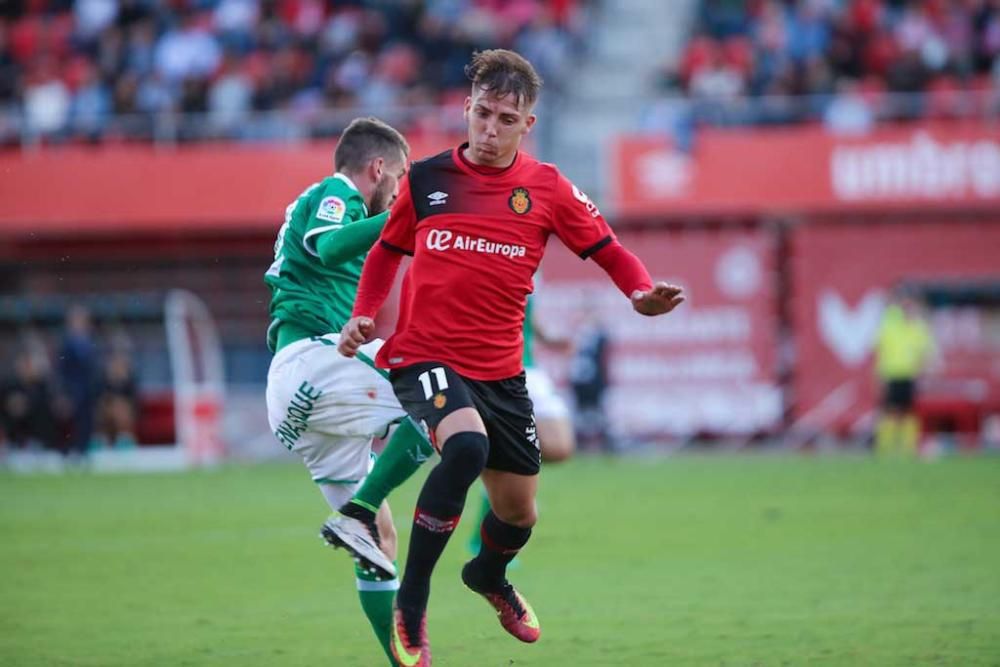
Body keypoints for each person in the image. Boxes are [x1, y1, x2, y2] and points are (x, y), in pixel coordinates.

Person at [336, 49, 685, 666]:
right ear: (466, 109)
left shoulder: (547, 188)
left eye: (505, 120)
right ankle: (411, 607)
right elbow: (387, 251)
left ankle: (488, 576)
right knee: (465, 448)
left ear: (529, 123)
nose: (490, 131)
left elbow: (607, 249)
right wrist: (366, 312)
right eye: (482, 114)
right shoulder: (428, 180)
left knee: (518, 513)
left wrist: (639, 292)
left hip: (501, 372)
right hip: (425, 355)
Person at [263, 116, 436, 665]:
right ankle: (356, 510)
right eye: (401, 176)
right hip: (312, 361)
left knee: (380, 542)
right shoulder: (336, 191)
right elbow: (332, 246)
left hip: (304, 395)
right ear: (378, 168)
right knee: (448, 401)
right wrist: (396, 218)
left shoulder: (344, 202)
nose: (401, 188)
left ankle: (404, 663)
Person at [874, 289, 937, 457]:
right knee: (891, 411)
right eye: (905, 305)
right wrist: (878, 375)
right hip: (892, 373)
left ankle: (907, 448)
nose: (908, 308)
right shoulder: (891, 324)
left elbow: (926, 351)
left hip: (910, 375)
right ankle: (886, 448)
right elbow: (880, 349)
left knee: (909, 411)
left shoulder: (918, 327)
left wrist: (924, 369)